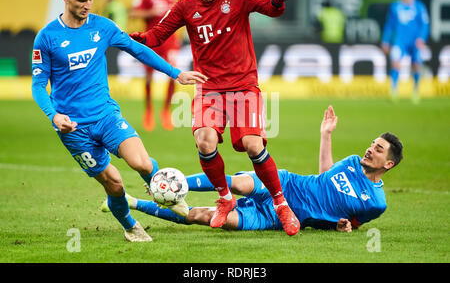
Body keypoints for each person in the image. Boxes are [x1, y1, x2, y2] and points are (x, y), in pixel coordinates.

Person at [31, 0, 207, 242]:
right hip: (73, 128)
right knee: (114, 184)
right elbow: (39, 85)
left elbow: (138, 50)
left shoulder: (103, 27)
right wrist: (53, 116)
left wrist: (176, 73)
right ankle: (130, 225)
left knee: (143, 163)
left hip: (105, 116)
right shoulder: (47, 37)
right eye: (81, 1)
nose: (87, 5)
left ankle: (168, 195)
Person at [130, 0, 300, 235]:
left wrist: (278, 3)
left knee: (253, 145)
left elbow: (270, 9)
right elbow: (157, 35)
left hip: (243, 85)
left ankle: (281, 204)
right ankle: (224, 197)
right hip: (209, 88)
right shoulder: (185, 5)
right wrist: (137, 40)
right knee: (204, 140)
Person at [107, 105, 403, 233]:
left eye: (378, 149)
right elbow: (326, 175)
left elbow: (352, 224)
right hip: (289, 185)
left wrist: (345, 227)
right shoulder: (352, 162)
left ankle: (135, 204)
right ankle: (170, 183)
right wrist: (326, 134)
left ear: (388, 164)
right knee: (238, 184)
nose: (370, 149)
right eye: (372, 144)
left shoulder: (376, 203)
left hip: (281, 217)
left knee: (205, 217)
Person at [129, 0, 181, 131]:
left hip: (170, 41)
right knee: (149, 77)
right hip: (151, 39)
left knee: (174, 75)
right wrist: (150, 12)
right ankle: (149, 110)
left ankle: (166, 111)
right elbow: (133, 12)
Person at [381, 0, 430, 103]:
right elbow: (389, 25)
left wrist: (421, 38)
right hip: (399, 40)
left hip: (415, 41)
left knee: (416, 64)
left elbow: (425, 24)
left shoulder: (419, 6)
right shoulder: (395, 6)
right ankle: (393, 89)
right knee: (395, 62)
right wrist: (385, 41)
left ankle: (416, 89)